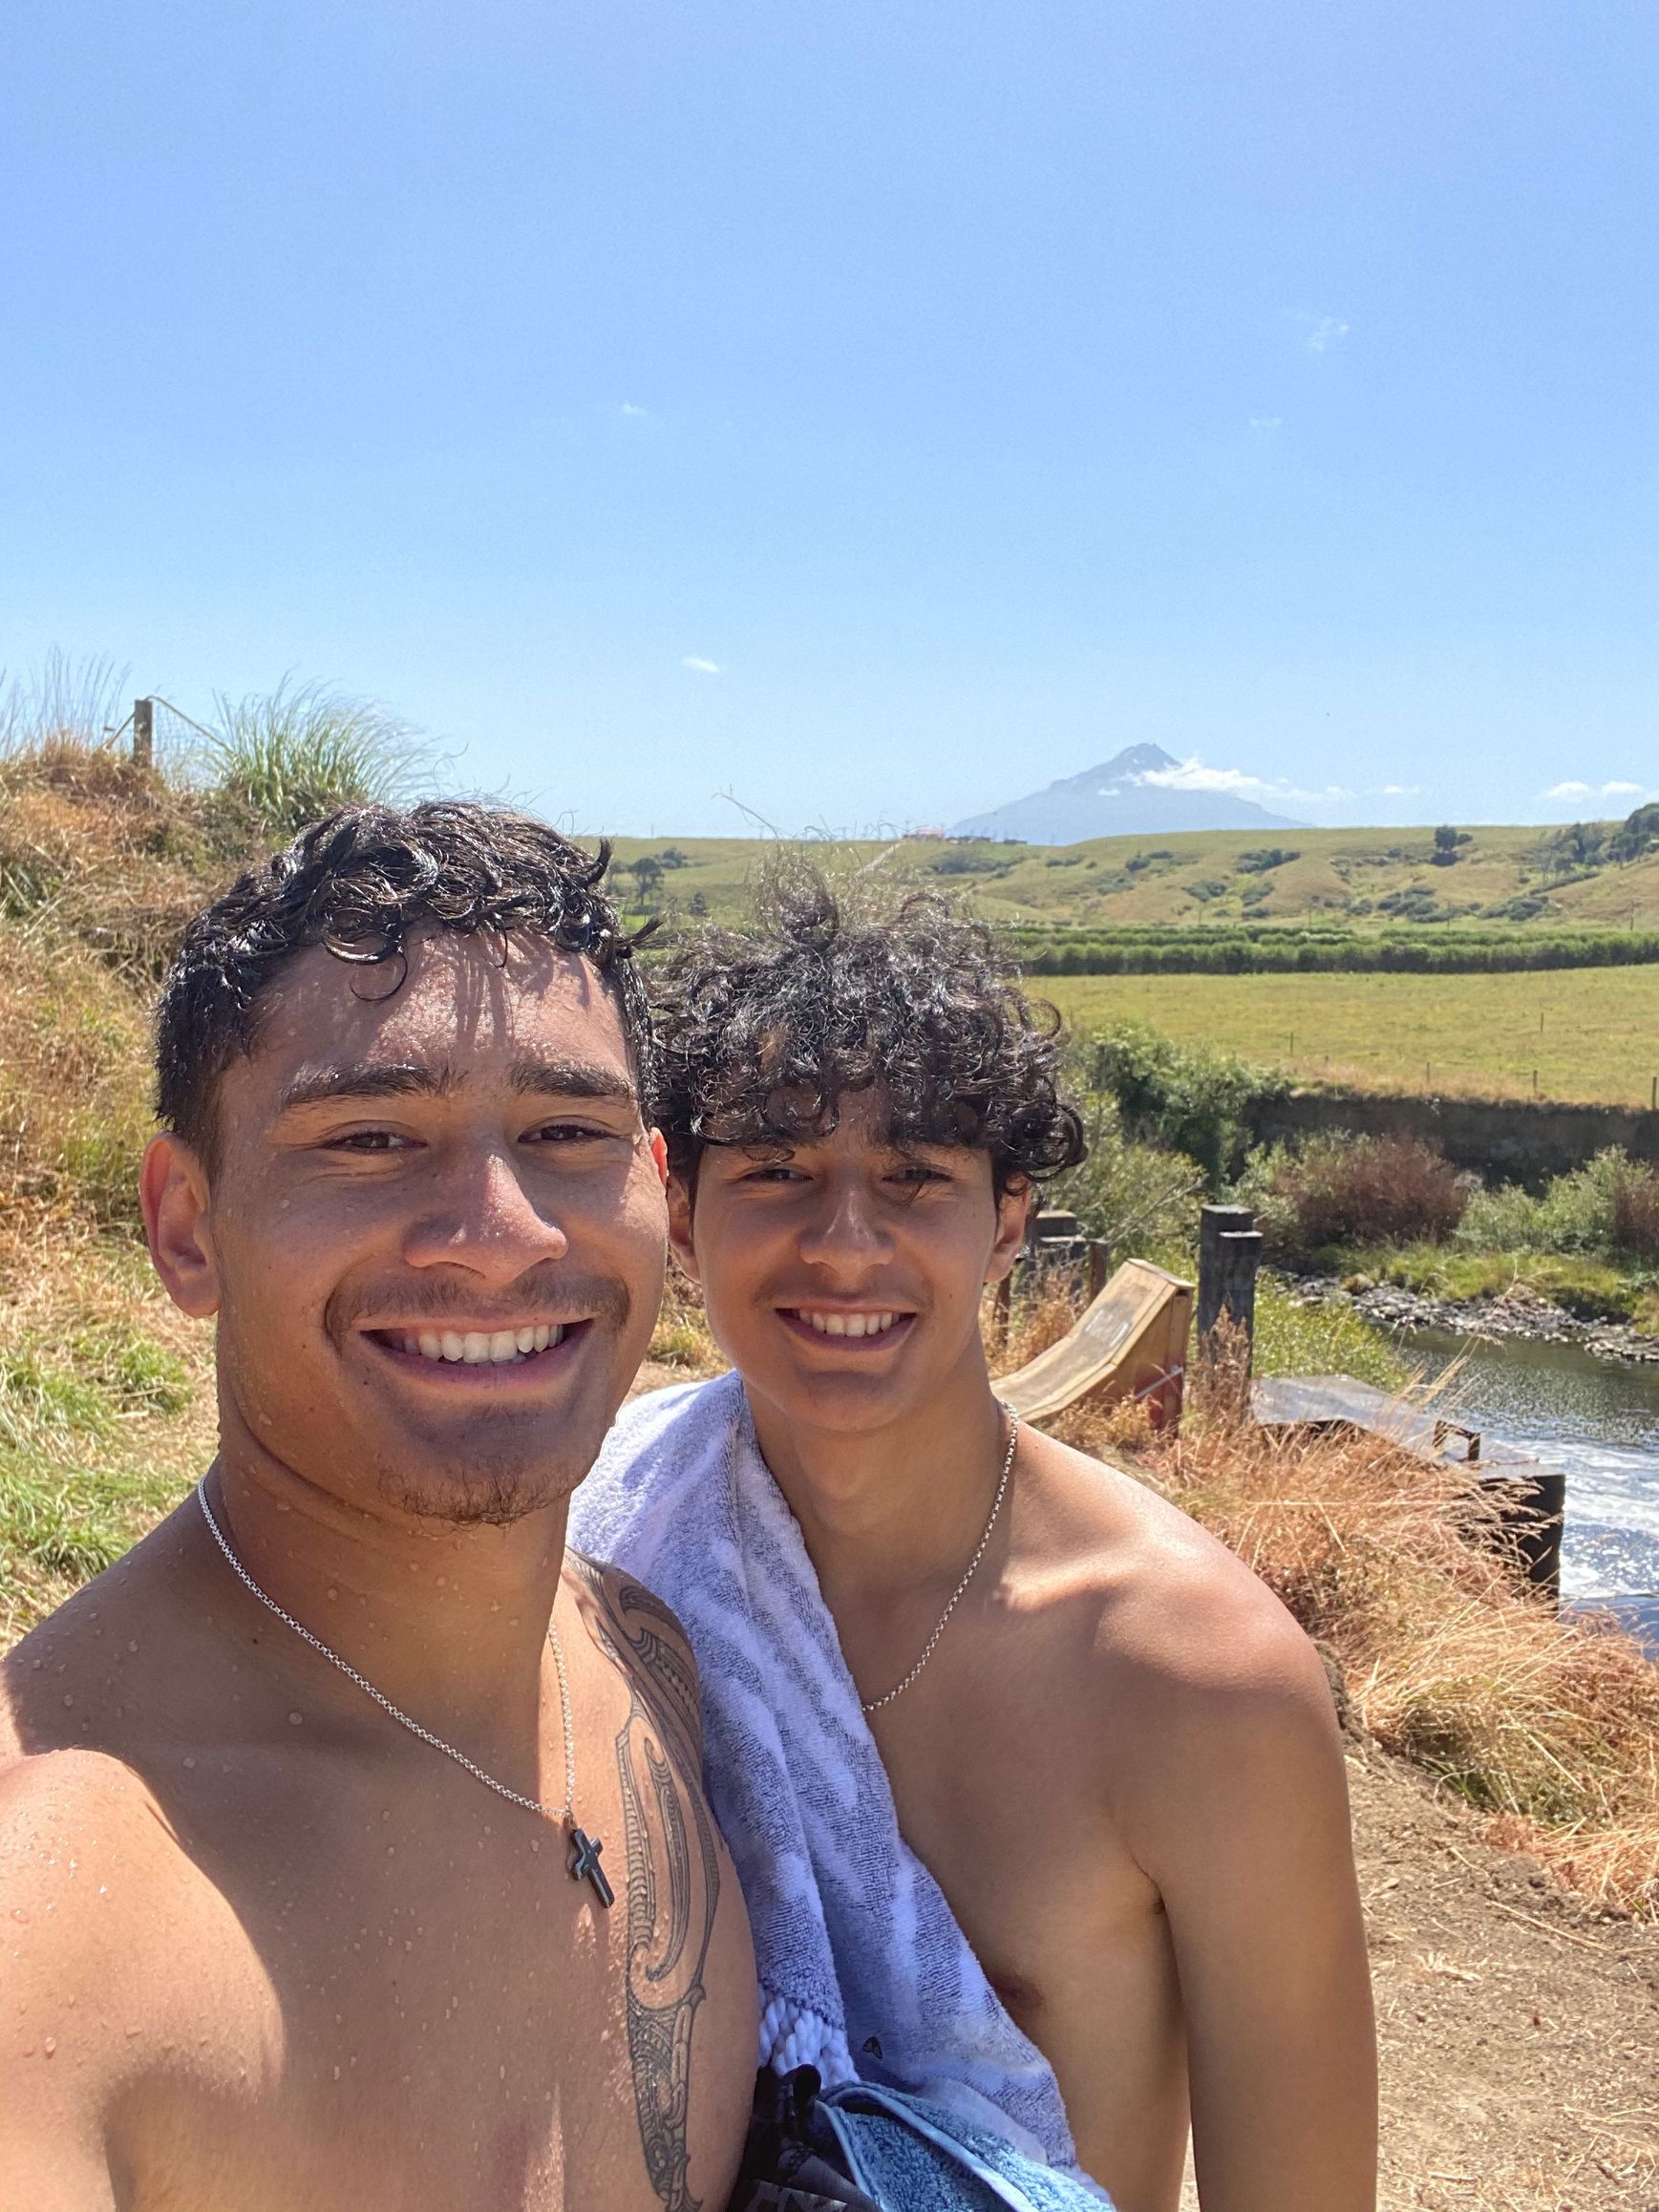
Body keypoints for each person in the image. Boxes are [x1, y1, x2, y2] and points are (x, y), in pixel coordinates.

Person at [572, 869, 1377, 2212]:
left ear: (1006, 1217)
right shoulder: (605, 1535)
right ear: (675, 1202)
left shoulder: (1197, 1678)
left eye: (912, 1178)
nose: (842, 1245)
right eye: (774, 1171)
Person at [0, 804, 757, 2212]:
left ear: (657, 1191)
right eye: (366, 1137)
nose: (502, 1233)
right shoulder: (57, 1920)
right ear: (184, 1227)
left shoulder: (645, 1663)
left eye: (567, 1131)